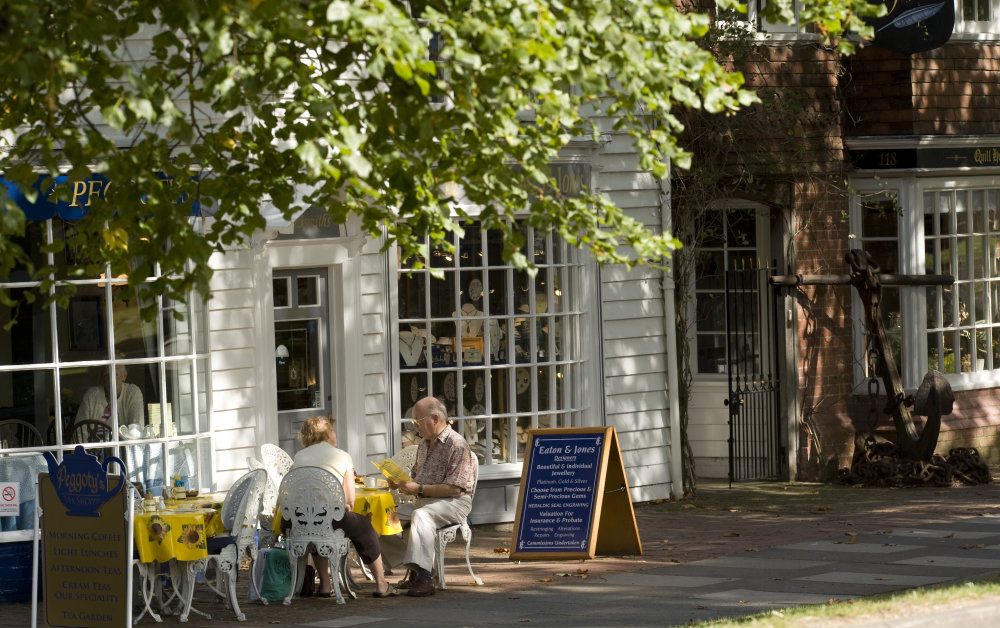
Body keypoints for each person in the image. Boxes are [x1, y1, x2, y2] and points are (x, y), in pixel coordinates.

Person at [286, 416, 396, 598]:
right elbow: (350, 500)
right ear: (328, 433)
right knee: (365, 528)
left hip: (301, 520)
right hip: (331, 518)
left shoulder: (299, 457)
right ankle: (381, 584)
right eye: (333, 430)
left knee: (316, 527)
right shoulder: (342, 456)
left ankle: (325, 585)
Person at [384, 396, 477, 597]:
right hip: (425, 499)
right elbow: (417, 478)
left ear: (435, 418)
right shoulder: (424, 444)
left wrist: (419, 488)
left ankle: (425, 578)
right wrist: (400, 483)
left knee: (422, 516)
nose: (415, 426)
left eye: (417, 421)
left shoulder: (457, 445)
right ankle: (415, 568)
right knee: (383, 518)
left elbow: (455, 488)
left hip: (454, 502)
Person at [76, 361, 143, 427]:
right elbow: (80, 431)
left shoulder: (132, 393)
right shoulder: (92, 395)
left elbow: (136, 429)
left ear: (124, 376)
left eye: (115, 375)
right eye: (107, 375)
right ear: (103, 378)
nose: (110, 380)